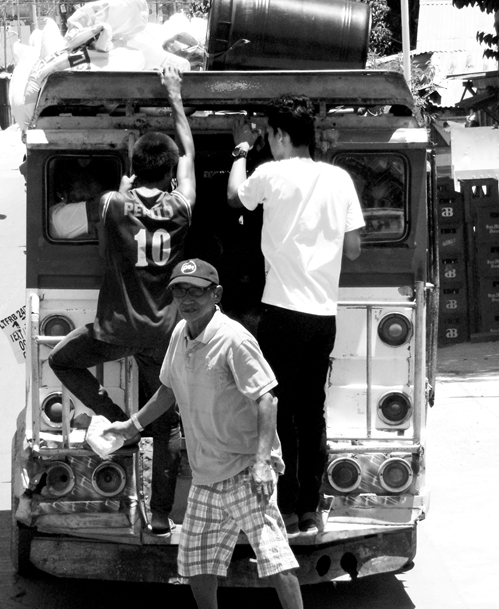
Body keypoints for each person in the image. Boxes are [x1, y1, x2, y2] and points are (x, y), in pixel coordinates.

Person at [47, 65, 196, 536]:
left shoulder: (114, 204)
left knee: (61, 360)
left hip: (113, 329)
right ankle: (158, 517)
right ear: (170, 173)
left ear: (133, 170)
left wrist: (128, 185)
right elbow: (190, 153)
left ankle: (113, 420)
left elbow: (102, 203)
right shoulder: (181, 208)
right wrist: (175, 96)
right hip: (162, 334)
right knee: (166, 423)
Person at [106, 259, 303, 609]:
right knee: (197, 562)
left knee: (275, 561)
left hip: (246, 471)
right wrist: (132, 425)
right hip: (207, 474)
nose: (187, 298)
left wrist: (261, 462)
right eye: (180, 290)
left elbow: (267, 397)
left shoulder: (233, 340)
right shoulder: (181, 334)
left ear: (216, 294)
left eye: (196, 291)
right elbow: (167, 389)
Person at [226, 95, 365, 535]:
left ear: (282, 136)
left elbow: (234, 198)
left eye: (269, 136)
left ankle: (284, 509)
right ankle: (310, 508)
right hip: (323, 316)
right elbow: (356, 247)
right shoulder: (339, 179)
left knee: (278, 409)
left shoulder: (268, 172)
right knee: (312, 412)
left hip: (281, 313)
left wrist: (241, 150)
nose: (268, 144)